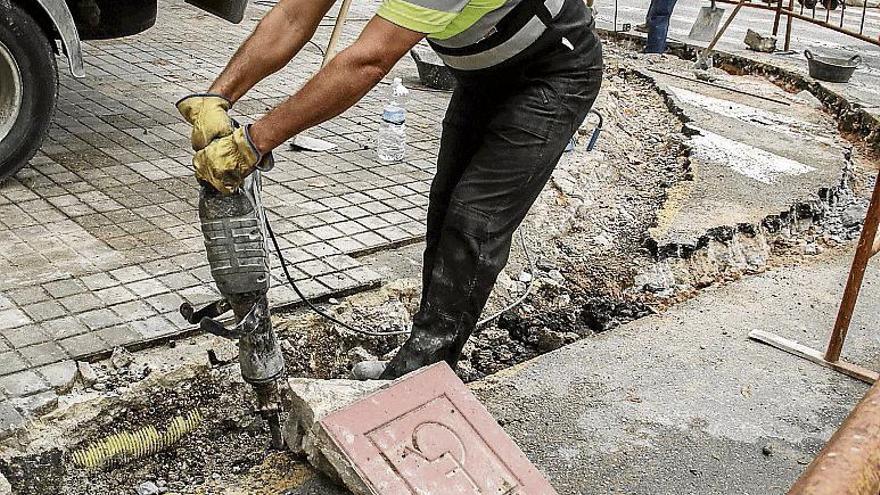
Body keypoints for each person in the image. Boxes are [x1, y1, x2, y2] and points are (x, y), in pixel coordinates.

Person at [176, 0, 603, 380]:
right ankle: (429, 356)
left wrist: (255, 140)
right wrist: (215, 97)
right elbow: (292, 15)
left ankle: (422, 369)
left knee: (475, 219)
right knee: (445, 211)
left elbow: (369, 60)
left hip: (552, 75)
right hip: (481, 79)